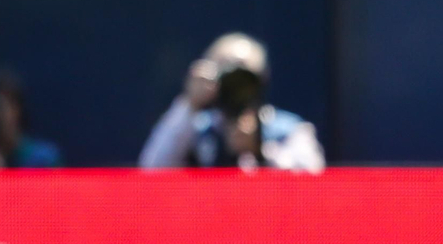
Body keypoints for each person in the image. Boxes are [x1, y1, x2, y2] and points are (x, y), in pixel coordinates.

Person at [138, 33, 325, 172]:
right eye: (227, 71)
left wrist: (261, 152)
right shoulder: (196, 129)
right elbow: (151, 170)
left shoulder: (289, 131)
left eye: (244, 73)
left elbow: (313, 182)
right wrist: (189, 104)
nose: (236, 83)